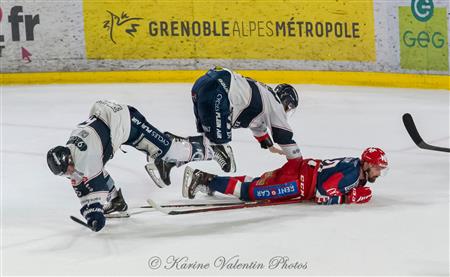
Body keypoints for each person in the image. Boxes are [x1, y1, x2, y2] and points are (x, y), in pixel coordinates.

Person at [46, 100, 232, 232]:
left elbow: (95, 188)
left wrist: (94, 216)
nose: (70, 173)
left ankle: (214, 150)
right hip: (112, 121)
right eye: (65, 173)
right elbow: (82, 182)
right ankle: (117, 202)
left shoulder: (86, 157)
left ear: (69, 158)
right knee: (98, 173)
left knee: (171, 152)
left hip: (127, 122)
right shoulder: (72, 151)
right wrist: (90, 211)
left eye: (68, 169)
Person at [154, 66, 302, 183]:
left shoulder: (265, 97)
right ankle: (169, 145)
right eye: (288, 108)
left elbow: (258, 125)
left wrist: (269, 146)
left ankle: (169, 160)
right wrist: (299, 163)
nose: (285, 112)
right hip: (219, 89)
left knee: (210, 143)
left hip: (204, 85)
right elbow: (284, 136)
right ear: (286, 101)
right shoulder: (276, 104)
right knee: (217, 148)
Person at [182, 147, 388, 205]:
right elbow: (322, 195)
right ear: (368, 164)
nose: (379, 172)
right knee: (253, 193)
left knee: (257, 182)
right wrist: (347, 198)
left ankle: (212, 182)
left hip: (300, 169)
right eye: (378, 168)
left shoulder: (354, 165)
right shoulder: (352, 174)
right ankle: (205, 179)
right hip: (295, 182)